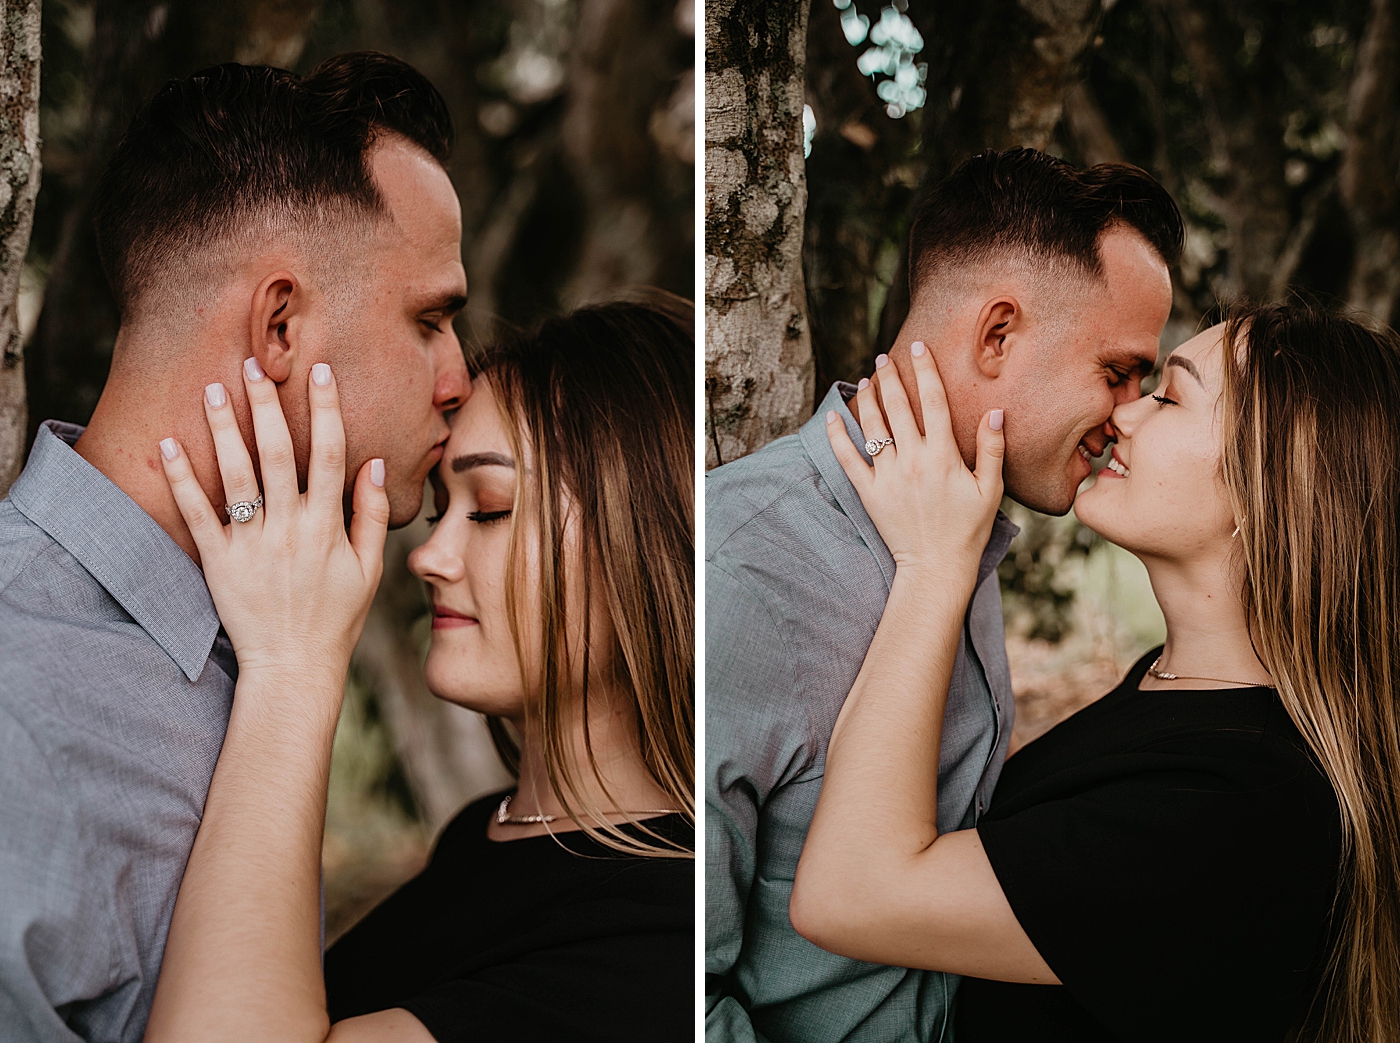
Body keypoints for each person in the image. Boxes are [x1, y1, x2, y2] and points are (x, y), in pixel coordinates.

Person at [0, 53, 468, 1042]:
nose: (459, 379)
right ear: (279, 326)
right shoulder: (21, 705)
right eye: (430, 319)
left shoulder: (260, 628)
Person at [792, 302, 1400, 1041]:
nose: (1124, 415)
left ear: (1271, 481)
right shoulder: (1175, 682)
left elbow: (850, 897)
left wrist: (934, 564)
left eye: (1169, 398)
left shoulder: (1244, 807)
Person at [705, 147, 1182, 1043]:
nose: (1128, 412)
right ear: (997, 336)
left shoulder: (969, 521)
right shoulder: (741, 566)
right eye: (1116, 371)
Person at [141, 295, 695, 1043]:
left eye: (490, 508)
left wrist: (293, 665)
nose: (430, 556)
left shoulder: (663, 939)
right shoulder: (486, 831)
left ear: (652, 543)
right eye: (440, 510)